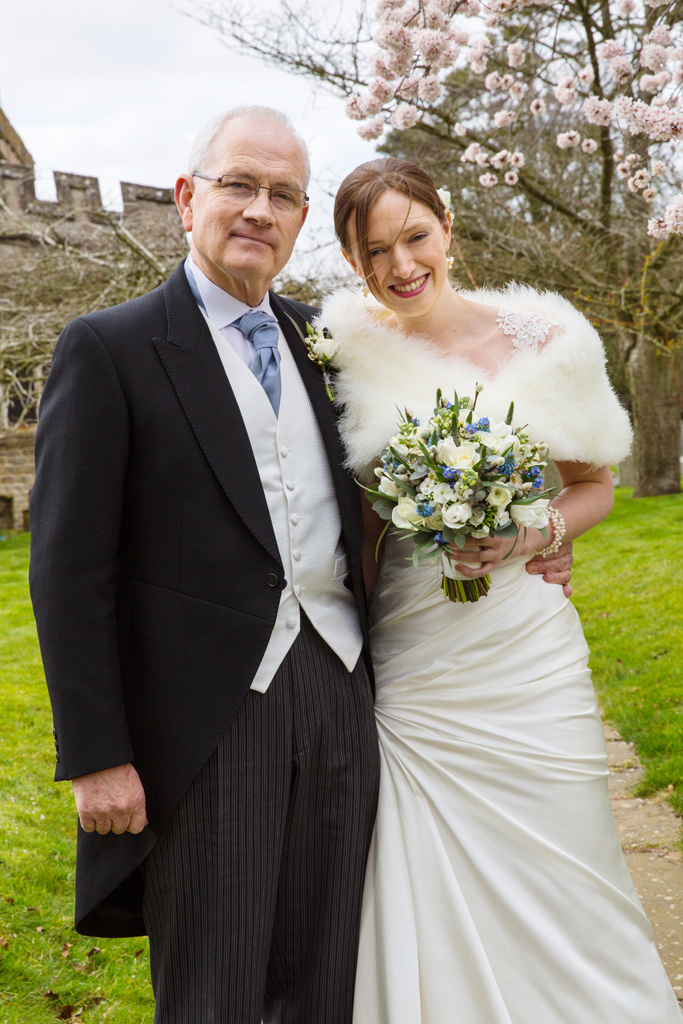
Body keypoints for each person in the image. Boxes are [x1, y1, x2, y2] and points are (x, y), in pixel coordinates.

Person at [29, 109, 572, 1024]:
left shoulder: (338, 343)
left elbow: (405, 491)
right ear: (187, 198)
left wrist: (529, 541)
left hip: (341, 690)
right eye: (239, 185)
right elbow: (68, 571)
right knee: (216, 983)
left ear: (300, 217)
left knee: (328, 974)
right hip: (203, 722)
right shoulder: (108, 348)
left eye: (282, 194)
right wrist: (97, 756)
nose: (258, 209)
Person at [317, 156, 682, 1024]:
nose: (401, 265)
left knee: (565, 854)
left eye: (415, 237)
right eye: (376, 251)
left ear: (447, 227)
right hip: (415, 655)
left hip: (524, 646)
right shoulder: (339, 350)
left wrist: (536, 533)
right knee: (417, 858)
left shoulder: (546, 340)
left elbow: (593, 482)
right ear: (350, 260)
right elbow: (353, 520)